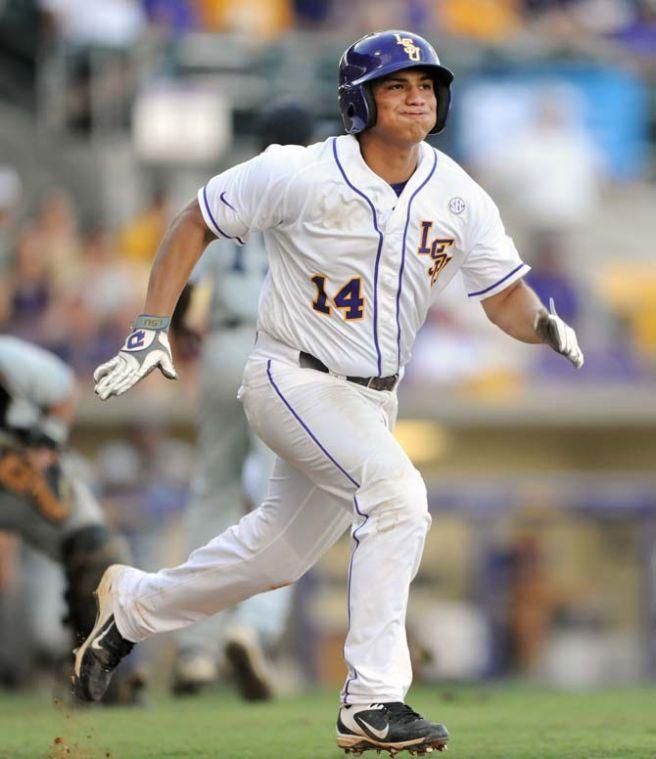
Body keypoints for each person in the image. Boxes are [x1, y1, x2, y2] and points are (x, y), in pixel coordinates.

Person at [73, 30, 583, 755]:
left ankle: (131, 609)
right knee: (399, 496)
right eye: (397, 84)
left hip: (371, 399)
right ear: (358, 100)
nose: (418, 96)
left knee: (273, 558)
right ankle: (373, 698)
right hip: (292, 375)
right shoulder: (299, 171)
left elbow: (502, 296)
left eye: (427, 84)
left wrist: (544, 324)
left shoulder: (455, 188)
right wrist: (152, 323)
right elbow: (195, 219)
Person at [169, 101, 316, 699]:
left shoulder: (227, 188)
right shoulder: (317, 189)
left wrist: (183, 340)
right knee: (288, 499)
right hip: (282, 354)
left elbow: (187, 295)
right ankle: (253, 629)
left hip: (224, 342)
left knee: (213, 492)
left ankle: (194, 650)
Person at [0, 335, 141, 703]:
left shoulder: (13, 361)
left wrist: (47, 444)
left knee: (98, 551)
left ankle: (100, 676)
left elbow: (65, 391)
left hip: (23, 490)